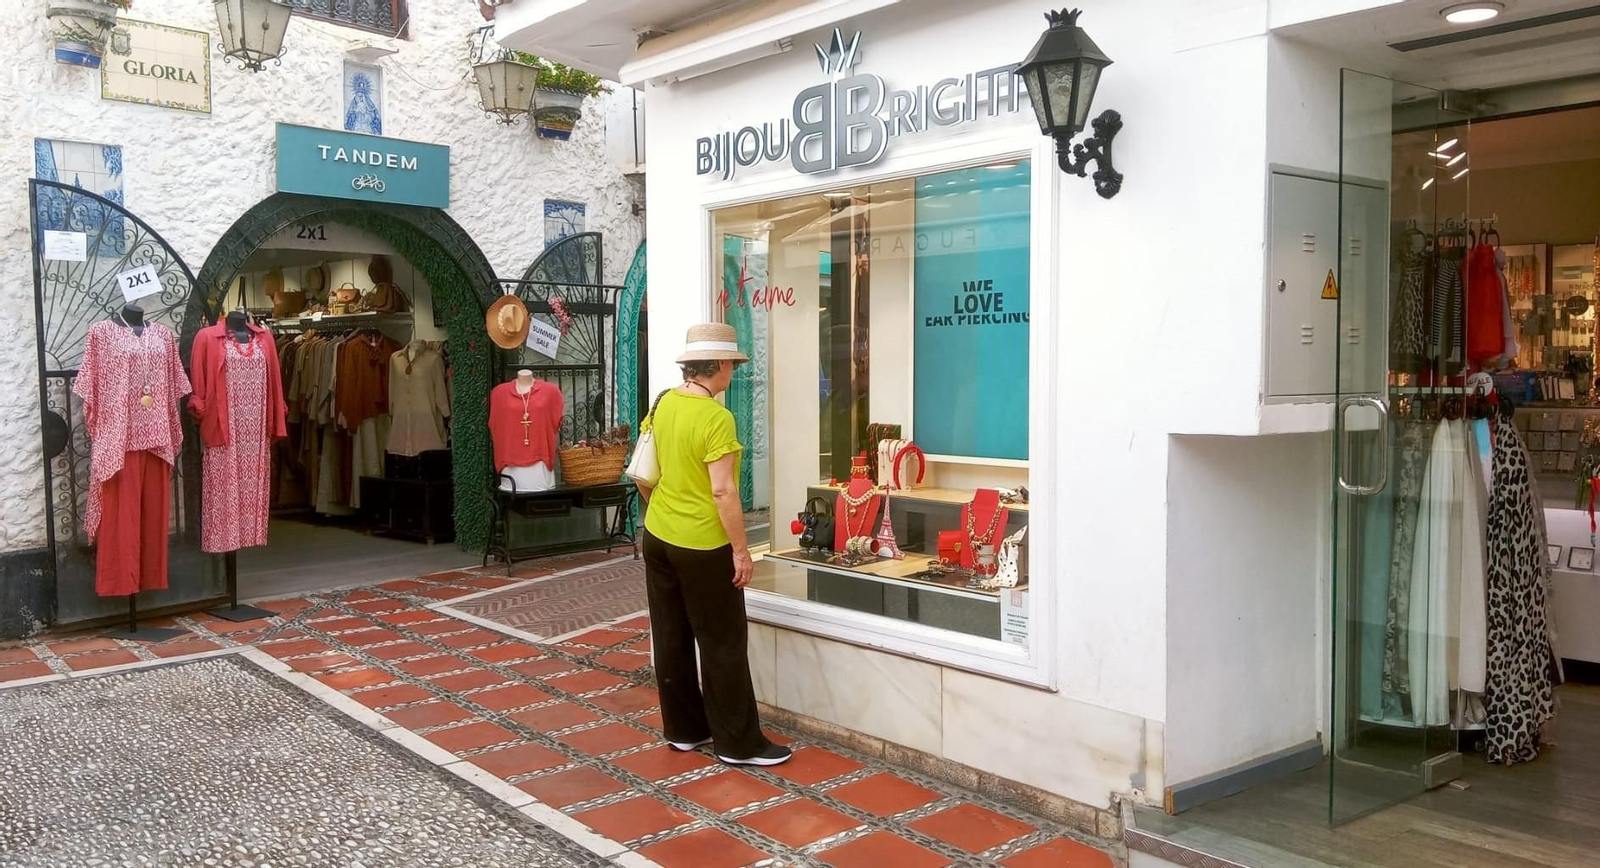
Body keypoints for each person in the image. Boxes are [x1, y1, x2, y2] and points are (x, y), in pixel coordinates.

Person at [634, 323, 791, 766]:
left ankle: (685, 730)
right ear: (720, 365)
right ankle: (738, 743)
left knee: (671, 635)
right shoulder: (717, 418)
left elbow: (645, 471)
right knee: (722, 643)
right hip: (703, 545)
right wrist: (741, 551)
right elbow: (723, 491)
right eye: (732, 365)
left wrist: (663, 510)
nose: (733, 373)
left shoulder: (663, 402)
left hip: (658, 536)